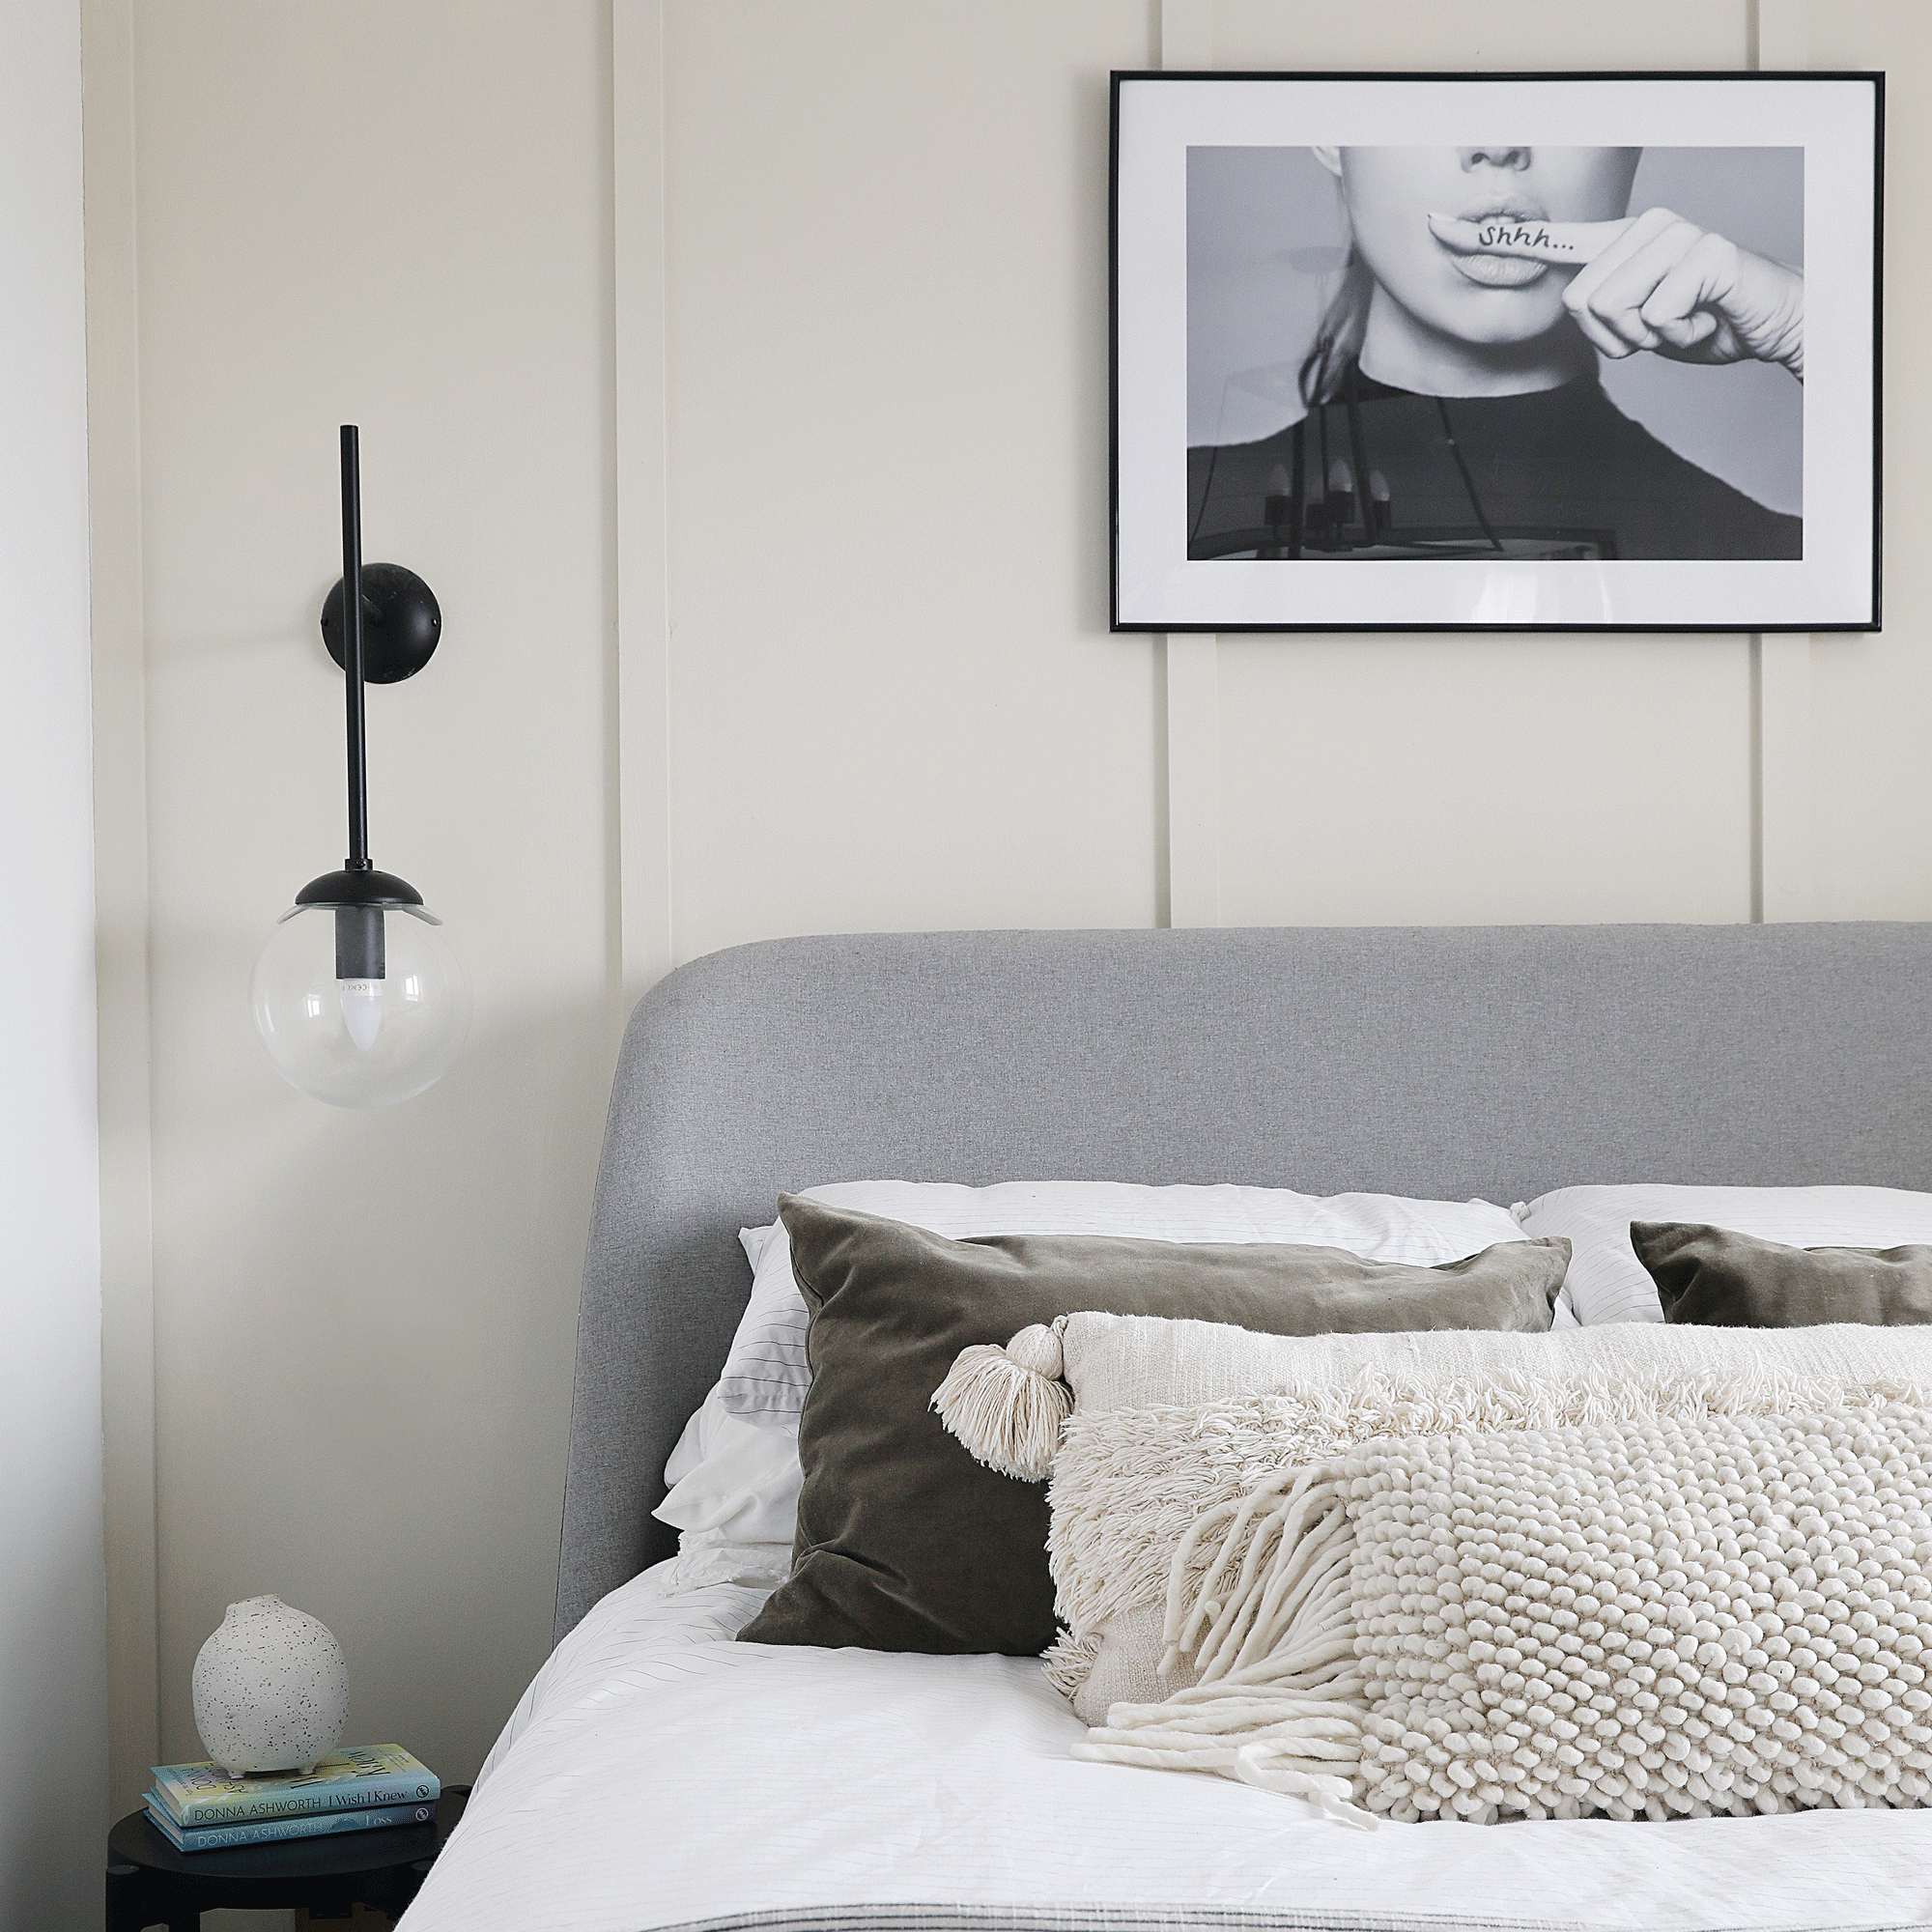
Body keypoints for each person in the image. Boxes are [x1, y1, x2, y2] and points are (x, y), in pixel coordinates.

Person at [1187, 146, 1804, 562]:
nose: (1498, 146)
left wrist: (1807, 329)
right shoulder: (1169, 529)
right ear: (1329, 137)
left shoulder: (1768, 560)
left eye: (1559, 86)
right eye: (1430, 87)